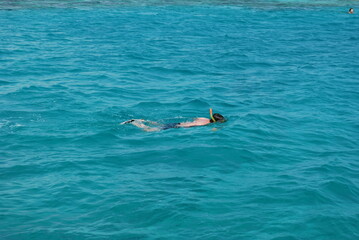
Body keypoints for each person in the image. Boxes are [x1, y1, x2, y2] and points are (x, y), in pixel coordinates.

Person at [121, 108, 226, 132]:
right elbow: (212, 129)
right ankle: (134, 122)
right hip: (179, 126)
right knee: (149, 130)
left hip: (180, 123)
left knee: (157, 123)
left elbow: (195, 118)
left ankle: (143, 120)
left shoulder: (203, 119)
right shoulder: (206, 124)